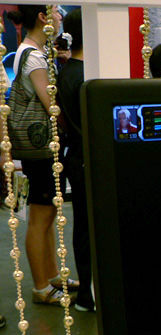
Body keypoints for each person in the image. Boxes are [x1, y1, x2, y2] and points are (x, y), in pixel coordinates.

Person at [8, 5, 79, 306]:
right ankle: (40, 286)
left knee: (47, 214)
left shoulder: (32, 52)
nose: (60, 16)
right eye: (56, 11)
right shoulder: (34, 56)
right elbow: (51, 104)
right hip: (40, 149)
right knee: (40, 217)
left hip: (40, 148)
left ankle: (52, 276)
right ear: (42, 17)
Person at [56, 8, 94, 311]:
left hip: (75, 157)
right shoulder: (88, 76)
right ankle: (91, 293)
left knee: (82, 227)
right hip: (90, 158)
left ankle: (86, 294)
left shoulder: (66, 72)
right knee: (94, 228)